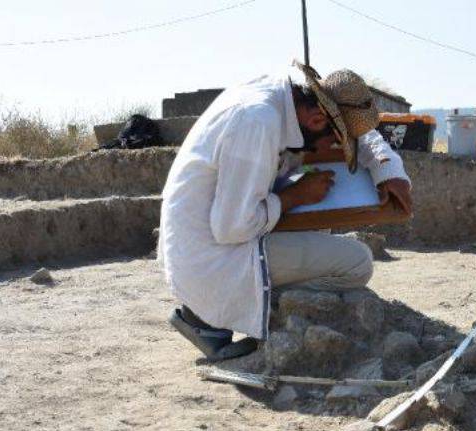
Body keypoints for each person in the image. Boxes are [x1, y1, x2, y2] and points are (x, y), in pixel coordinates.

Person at [159, 61, 412, 360]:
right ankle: (214, 319)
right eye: (335, 141)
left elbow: (363, 134)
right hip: (213, 258)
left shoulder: (283, 96)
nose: (334, 148)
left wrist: (387, 167)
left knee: (321, 228)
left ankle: (214, 314)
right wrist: (295, 196)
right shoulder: (257, 122)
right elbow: (231, 227)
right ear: (319, 120)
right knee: (357, 263)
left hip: (204, 244)